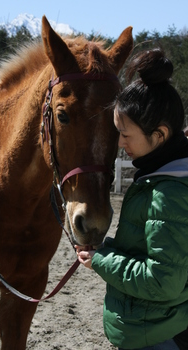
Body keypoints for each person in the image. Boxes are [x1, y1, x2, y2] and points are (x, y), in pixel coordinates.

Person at [75, 48, 188, 350]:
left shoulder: (169, 192)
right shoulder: (161, 178)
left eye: (126, 135)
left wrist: (101, 261)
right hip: (155, 326)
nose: (121, 146)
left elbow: (162, 281)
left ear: (160, 134)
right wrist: (104, 248)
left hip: (158, 335)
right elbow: (151, 251)